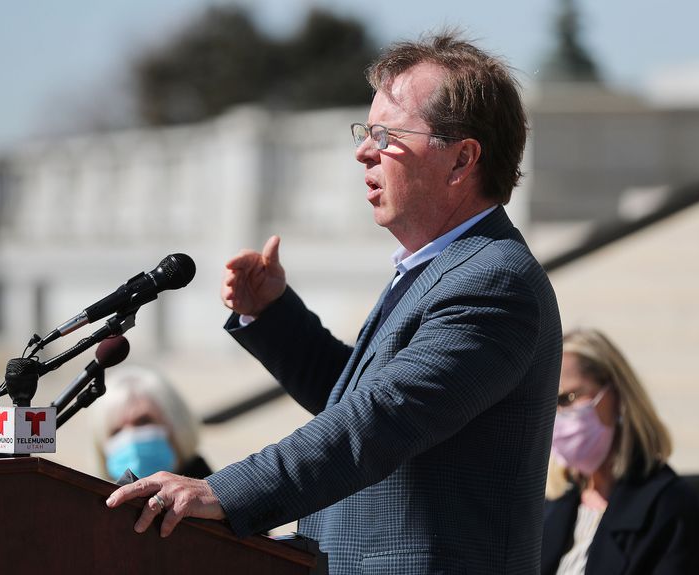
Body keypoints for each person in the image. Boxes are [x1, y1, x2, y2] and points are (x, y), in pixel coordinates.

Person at [107, 31, 563, 574]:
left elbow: (379, 422)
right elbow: (356, 399)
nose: (363, 151)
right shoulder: (438, 269)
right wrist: (275, 316)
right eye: (364, 132)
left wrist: (222, 493)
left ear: (462, 159)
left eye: (385, 134)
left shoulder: (494, 282)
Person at [542, 328, 699, 574]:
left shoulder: (670, 507)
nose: (557, 415)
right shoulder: (553, 505)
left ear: (616, 396)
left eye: (568, 397)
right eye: (548, 403)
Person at [90, 365, 211, 482]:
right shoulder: (93, 502)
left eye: (143, 422)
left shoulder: (218, 498)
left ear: (178, 423)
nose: (130, 437)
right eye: (116, 431)